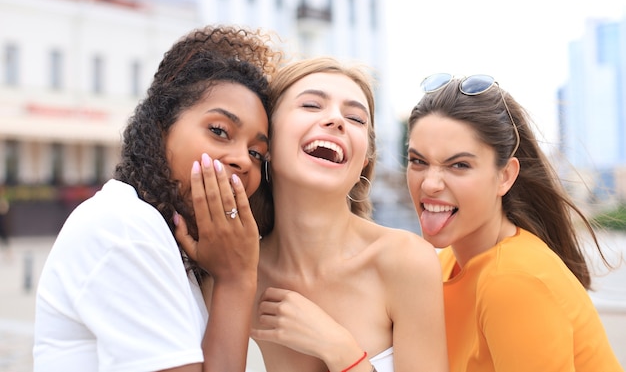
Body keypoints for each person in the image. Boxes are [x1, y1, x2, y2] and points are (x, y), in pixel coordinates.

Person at [33, 25, 283, 372]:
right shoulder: (125, 229)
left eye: (257, 153)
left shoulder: (165, 240)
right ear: (162, 127)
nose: (243, 159)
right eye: (219, 131)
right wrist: (236, 280)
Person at [405, 73, 623, 372]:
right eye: (418, 161)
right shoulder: (446, 264)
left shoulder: (513, 280)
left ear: (505, 176)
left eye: (459, 165)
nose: (429, 184)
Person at [242, 57, 448, 372]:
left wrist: (340, 350)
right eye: (311, 105)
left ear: (365, 160)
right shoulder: (232, 279)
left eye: (355, 118)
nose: (337, 120)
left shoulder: (406, 261)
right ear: (265, 140)